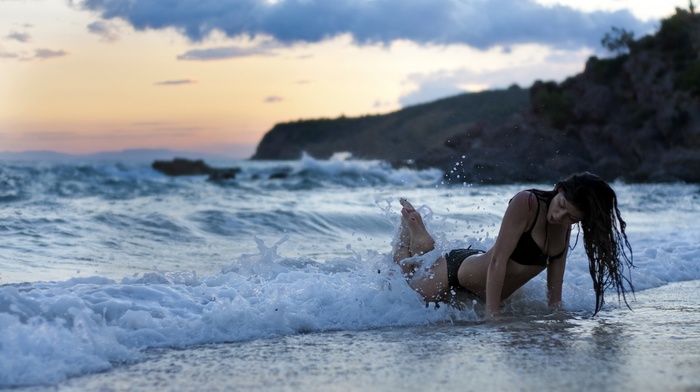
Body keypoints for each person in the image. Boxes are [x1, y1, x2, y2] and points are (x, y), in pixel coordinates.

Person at [393, 172, 633, 318]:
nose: (560, 216)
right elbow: (497, 261)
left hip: (480, 287)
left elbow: (555, 277)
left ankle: (422, 247)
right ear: (559, 189)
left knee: (420, 280)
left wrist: (556, 314)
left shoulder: (565, 224)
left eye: (571, 216)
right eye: (561, 205)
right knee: (403, 285)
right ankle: (410, 231)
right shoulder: (527, 203)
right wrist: (492, 315)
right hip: (456, 273)